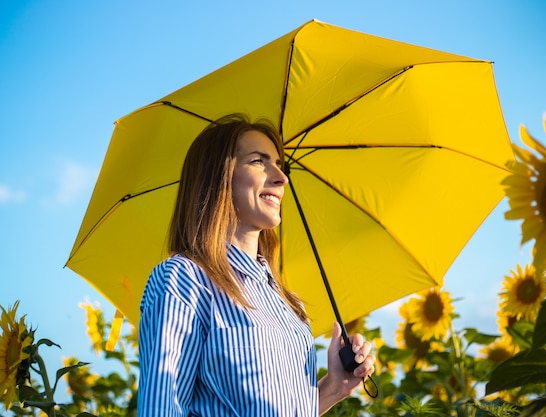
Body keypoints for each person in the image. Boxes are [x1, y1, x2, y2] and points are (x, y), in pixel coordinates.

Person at [138, 113, 376, 416]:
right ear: (218, 176)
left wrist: (332, 388)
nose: (281, 177)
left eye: (279, 164)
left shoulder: (287, 304)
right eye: (258, 161)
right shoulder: (185, 279)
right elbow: (162, 408)